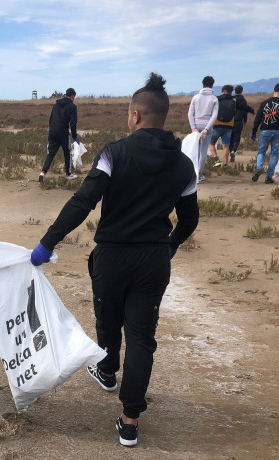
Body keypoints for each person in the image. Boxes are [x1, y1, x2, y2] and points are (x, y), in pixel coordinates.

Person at [30, 73, 199, 447]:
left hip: (112, 258)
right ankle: (130, 421)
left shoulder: (113, 153)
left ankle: (107, 370)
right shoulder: (184, 166)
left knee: (108, 320)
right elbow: (189, 219)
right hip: (154, 261)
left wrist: (48, 242)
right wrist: (170, 245)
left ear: (135, 116)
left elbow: (83, 200)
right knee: (142, 337)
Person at [39, 88, 79, 182]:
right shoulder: (72, 107)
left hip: (52, 132)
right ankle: (68, 174)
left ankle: (43, 172)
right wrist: (75, 137)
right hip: (63, 133)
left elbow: (51, 119)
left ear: (66, 95)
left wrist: (51, 130)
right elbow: (73, 123)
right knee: (67, 153)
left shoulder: (56, 105)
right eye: (74, 97)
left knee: (50, 154)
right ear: (72, 96)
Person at [209, 84, 253, 167]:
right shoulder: (234, 100)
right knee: (226, 146)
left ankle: (216, 159)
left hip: (217, 124)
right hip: (229, 125)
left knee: (211, 143)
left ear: (223, 91)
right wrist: (251, 111)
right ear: (231, 91)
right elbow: (244, 108)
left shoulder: (217, 99)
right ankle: (225, 165)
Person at [188, 76, 218, 182]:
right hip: (207, 126)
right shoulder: (214, 98)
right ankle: (199, 175)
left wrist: (193, 127)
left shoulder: (196, 97)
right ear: (212, 85)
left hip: (196, 125)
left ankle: (192, 173)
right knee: (203, 151)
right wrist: (206, 129)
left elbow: (190, 114)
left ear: (203, 85)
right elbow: (214, 116)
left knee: (195, 150)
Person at [251, 83, 279, 184]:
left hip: (265, 130)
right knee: (275, 154)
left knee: (261, 151)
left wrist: (254, 131)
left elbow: (257, 119)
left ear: (274, 91)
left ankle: (259, 167)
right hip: (277, 131)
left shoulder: (264, 103)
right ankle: (268, 177)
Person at [228, 85, 255, 162]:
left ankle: (231, 153)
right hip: (238, 122)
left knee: (230, 139)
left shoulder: (231, 99)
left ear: (235, 91)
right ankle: (233, 151)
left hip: (230, 121)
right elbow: (245, 111)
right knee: (237, 138)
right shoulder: (243, 100)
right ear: (241, 91)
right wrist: (245, 120)